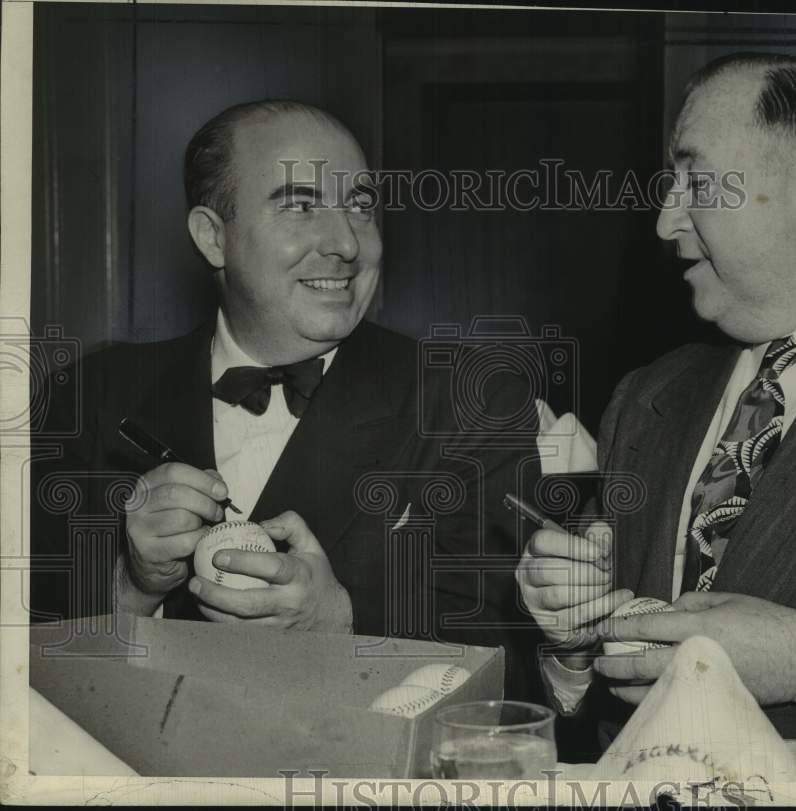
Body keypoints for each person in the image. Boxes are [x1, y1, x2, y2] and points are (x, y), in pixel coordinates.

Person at [516, 53, 796, 772]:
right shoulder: (645, 397)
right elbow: (595, 727)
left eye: (696, 181)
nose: (667, 219)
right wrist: (572, 647)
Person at [30, 99, 544, 703]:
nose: (346, 244)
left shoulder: (470, 399)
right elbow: (24, 659)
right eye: (300, 205)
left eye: (359, 207)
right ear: (213, 237)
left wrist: (342, 623)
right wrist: (132, 586)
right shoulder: (90, 393)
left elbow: (518, 664)